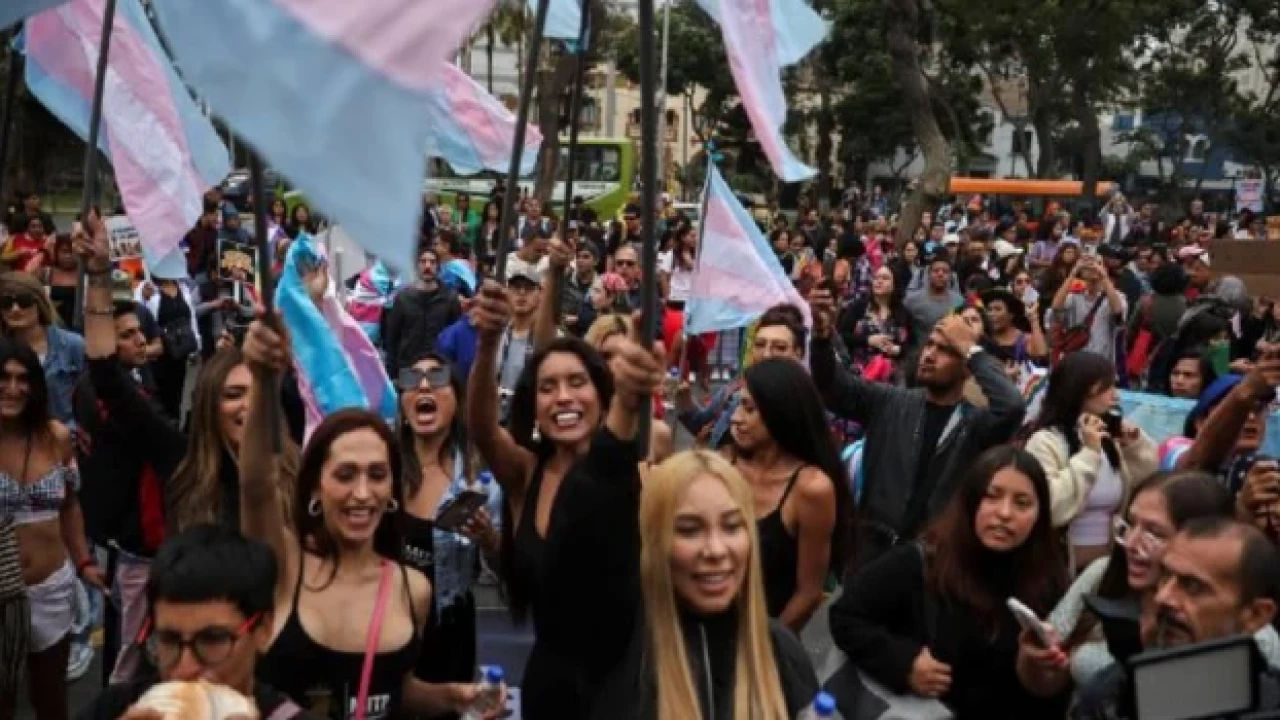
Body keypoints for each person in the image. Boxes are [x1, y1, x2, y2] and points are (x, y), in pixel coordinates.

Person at [239, 320, 496, 719]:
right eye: (345, 475)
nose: (362, 493)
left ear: (392, 490)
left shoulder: (413, 590)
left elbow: (394, 690)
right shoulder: (287, 565)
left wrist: (455, 697)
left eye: (377, 475)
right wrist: (261, 380)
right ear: (315, 488)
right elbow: (257, 486)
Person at [465, 276, 652, 718]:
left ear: (602, 397)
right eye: (547, 388)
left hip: (627, 690)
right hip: (550, 689)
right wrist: (488, 344)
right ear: (534, 407)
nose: (563, 397)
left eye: (576, 382)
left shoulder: (642, 477)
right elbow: (483, 429)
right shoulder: (525, 473)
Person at [829, 446, 1071, 718]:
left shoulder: (1049, 580)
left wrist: (1042, 670)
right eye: (991, 496)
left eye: (1022, 503)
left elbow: (1056, 693)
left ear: (1040, 515)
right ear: (970, 501)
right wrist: (905, 662)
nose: (1005, 513)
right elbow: (845, 616)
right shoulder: (922, 563)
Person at [575, 451, 820, 717]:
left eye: (732, 526)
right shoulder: (619, 647)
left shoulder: (782, 652)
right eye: (689, 530)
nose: (716, 550)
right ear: (654, 542)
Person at [810, 292, 1027, 568]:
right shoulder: (888, 402)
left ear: (967, 368)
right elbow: (832, 385)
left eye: (946, 350)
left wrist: (971, 349)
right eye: (930, 345)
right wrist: (821, 338)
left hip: (935, 565)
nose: (930, 355)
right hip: (872, 556)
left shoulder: (975, 424)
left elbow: (1012, 406)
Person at [72, 216, 186, 685]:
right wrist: (100, 275)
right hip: (132, 544)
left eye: (140, 332)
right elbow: (107, 377)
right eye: (125, 335)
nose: (139, 340)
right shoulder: (99, 389)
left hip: (145, 540)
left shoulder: (142, 379)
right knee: (128, 667)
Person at [74, 525, 325, 720]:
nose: (185, 670)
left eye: (212, 640)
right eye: (169, 640)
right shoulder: (114, 709)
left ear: (263, 630)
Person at [1032, 471, 1253, 691]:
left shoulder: (1229, 621)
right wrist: (1035, 660)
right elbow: (1044, 679)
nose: (1131, 543)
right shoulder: (1103, 573)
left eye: (1153, 533)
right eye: (1130, 524)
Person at [1064, 518, 1280, 718]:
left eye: (1192, 586)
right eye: (1165, 576)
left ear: (1256, 614)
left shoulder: (1272, 703)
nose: (1163, 597)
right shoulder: (1111, 698)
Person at [0, 339, 101, 720]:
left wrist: (85, 562)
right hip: (1, 597)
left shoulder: (55, 436)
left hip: (51, 590)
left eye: (22, 378)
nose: (12, 388)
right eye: (3, 377)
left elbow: (70, 505)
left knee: (51, 700)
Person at [395, 353, 503, 698]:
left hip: (447, 633)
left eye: (438, 377)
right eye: (411, 380)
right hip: (386, 622)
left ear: (457, 401)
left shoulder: (477, 480)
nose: (424, 385)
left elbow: (504, 569)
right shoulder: (382, 468)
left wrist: (489, 539)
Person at [726, 358, 853, 629]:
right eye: (737, 405)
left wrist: (767, 644)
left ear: (779, 411)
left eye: (749, 408)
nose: (736, 418)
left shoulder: (811, 489)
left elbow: (809, 593)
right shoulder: (723, 466)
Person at [1025, 352, 1158, 571]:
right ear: (1081, 391)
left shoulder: (1107, 438)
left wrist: (1134, 446)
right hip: (1060, 567)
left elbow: (1146, 477)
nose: (1115, 396)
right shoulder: (1046, 442)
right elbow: (1051, 505)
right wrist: (1089, 454)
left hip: (1106, 566)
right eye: (1107, 388)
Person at [166, 347, 299, 533]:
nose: (250, 405)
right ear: (209, 408)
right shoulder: (186, 483)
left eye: (259, 395)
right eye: (234, 395)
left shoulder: (300, 473)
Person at [583, 314, 673, 462]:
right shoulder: (577, 430)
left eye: (624, 356)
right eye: (606, 356)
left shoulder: (657, 435)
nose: (615, 365)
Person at [0, 272, 84, 428]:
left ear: (39, 303)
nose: (15, 309)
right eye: (6, 303)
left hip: (67, 436)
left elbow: (91, 399)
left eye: (24, 301)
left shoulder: (72, 345)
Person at [384, 244, 462, 379]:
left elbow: (456, 337)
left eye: (432, 262)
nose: (427, 266)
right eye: (423, 261)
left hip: (438, 368)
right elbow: (392, 338)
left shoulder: (449, 299)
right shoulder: (403, 298)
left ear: (438, 267)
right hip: (408, 367)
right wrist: (391, 373)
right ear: (417, 266)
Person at [137, 273, 202, 421]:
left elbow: (191, 318)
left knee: (177, 394)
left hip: (180, 352)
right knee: (160, 395)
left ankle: (175, 424)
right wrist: (144, 296)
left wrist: (197, 344)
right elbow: (142, 317)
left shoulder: (183, 288)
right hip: (160, 354)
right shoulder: (149, 289)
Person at [838, 265, 911, 382]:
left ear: (894, 285)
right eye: (876, 278)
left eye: (885, 278)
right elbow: (842, 336)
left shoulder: (903, 313)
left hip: (891, 379)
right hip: (860, 376)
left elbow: (911, 345)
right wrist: (868, 340)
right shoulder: (858, 307)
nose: (879, 281)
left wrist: (898, 350)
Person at [1052, 253, 1127, 365]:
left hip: (1101, 361)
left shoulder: (1115, 296)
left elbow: (1118, 312)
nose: (1093, 267)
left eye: (1098, 263)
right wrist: (1073, 272)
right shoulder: (1074, 296)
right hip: (1075, 360)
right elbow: (1056, 308)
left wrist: (1104, 276)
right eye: (1088, 265)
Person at [904, 252, 964, 348]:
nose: (940, 274)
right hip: (920, 352)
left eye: (945, 271)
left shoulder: (959, 301)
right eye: (936, 271)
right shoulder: (911, 301)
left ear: (951, 276)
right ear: (928, 274)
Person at [41, 236, 80, 327]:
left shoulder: (85, 274)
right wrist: (44, 251)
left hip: (81, 326)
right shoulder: (47, 273)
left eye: (72, 252)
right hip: (54, 325)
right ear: (56, 252)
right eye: (64, 251)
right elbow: (27, 273)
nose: (68, 256)